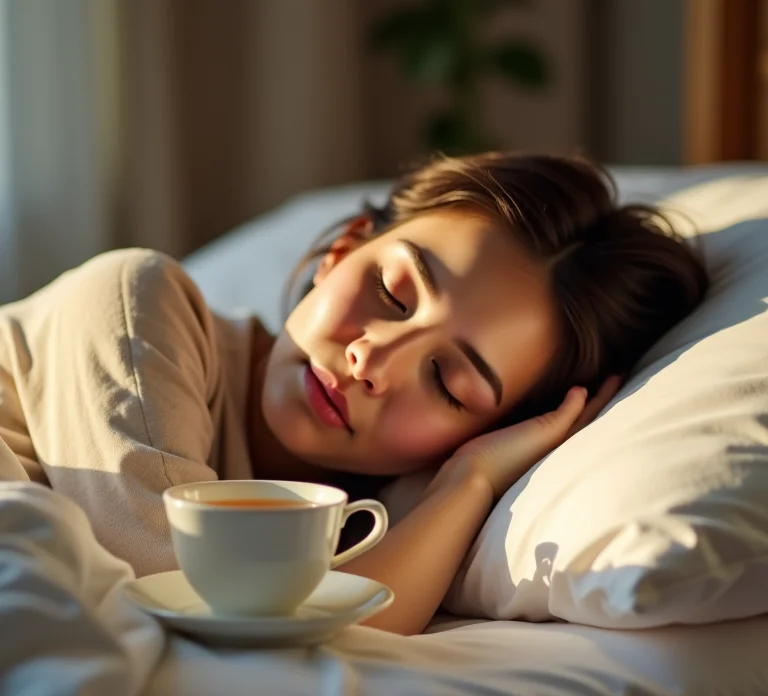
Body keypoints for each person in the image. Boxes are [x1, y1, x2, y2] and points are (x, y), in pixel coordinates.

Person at [0, 152, 708, 635]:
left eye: (447, 381)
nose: (372, 357)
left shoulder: (373, 521)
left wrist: (467, 483)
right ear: (342, 250)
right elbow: (201, 602)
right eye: (391, 293)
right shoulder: (137, 303)